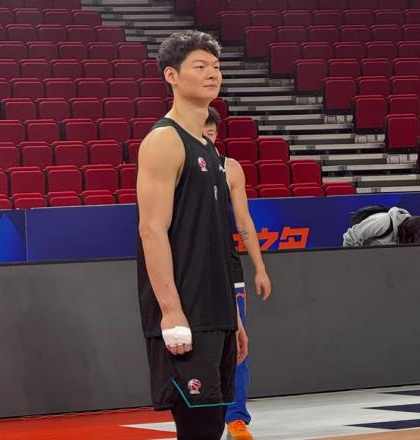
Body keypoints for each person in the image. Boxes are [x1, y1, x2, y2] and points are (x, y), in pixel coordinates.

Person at [137, 30, 248, 440]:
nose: (212, 74)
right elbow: (151, 230)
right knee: (198, 428)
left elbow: (217, 242)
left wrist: (234, 318)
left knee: (213, 425)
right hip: (186, 312)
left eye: (216, 66)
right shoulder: (164, 141)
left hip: (217, 312)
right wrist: (170, 311)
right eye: (199, 66)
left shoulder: (210, 150)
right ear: (171, 75)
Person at [204, 107, 272, 440]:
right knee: (201, 348)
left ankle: (236, 419)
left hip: (229, 270)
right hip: (193, 270)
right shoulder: (177, 165)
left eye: (212, 132)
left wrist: (260, 268)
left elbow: (244, 222)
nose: (207, 137)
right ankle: (202, 419)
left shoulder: (230, 168)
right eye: (202, 131)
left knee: (237, 347)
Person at [342, 206, 420, 247]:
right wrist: (350, 260)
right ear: (403, 231)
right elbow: (351, 236)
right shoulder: (381, 222)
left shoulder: (417, 233)